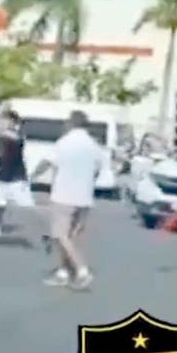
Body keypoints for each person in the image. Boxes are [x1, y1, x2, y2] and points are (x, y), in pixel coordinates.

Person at [30, 110, 109, 289]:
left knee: (61, 235)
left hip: (64, 194)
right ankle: (62, 272)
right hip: (85, 197)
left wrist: (34, 175)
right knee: (70, 237)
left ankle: (82, 270)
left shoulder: (64, 142)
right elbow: (98, 169)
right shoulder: (93, 145)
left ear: (71, 123)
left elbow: (48, 161)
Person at [0, 110, 34, 237]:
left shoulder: (17, 135)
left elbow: (16, 141)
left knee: (15, 201)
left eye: (11, 121)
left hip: (15, 170)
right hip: (1, 170)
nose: (8, 123)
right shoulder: (0, 135)